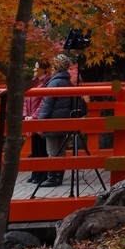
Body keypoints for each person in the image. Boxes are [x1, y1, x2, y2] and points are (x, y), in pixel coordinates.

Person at [37, 54, 74, 187]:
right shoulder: (68, 82)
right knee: (61, 150)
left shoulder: (54, 82)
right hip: (64, 120)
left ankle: (52, 177)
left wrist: (40, 123)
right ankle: (59, 176)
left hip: (53, 121)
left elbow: (47, 105)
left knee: (52, 151)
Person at [23, 59, 51, 183]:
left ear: (43, 69)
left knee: (41, 148)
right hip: (31, 116)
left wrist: (34, 116)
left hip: (38, 118)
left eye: (36, 67)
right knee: (34, 148)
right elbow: (26, 100)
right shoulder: (33, 83)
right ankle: (35, 173)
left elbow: (43, 103)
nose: (34, 70)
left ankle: (42, 174)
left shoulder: (46, 83)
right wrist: (25, 115)